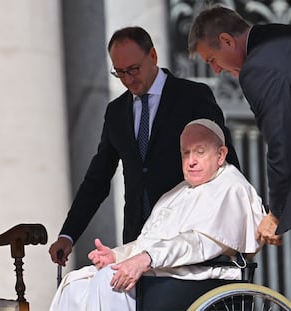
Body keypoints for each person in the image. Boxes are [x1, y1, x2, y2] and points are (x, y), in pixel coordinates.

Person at [188, 5, 291, 311]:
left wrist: (276, 212)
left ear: (226, 40)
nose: (216, 71)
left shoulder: (258, 67)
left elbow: (279, 142)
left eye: (212, 60)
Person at [49, 26, 240, 266]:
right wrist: (68, 235)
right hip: (137, 238)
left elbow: (225, 159)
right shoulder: (116, 112)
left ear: (153, 56)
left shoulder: (193, 96)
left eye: (133, 69)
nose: (128, 79)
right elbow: (97, 180)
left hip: (185, 235)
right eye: (119, 72)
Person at [49, 119, 266, 311]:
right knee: (75, 284)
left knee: (111, 281)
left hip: (200, 275)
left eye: (200, 152)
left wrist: (146, 259)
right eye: (185, 153)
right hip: (168, 270)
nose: (191, 161)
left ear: (221, 155)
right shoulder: (177, 192)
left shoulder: (231, 187)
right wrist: (117, 256)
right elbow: (151, 241)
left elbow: (197, 243)